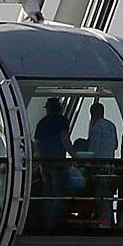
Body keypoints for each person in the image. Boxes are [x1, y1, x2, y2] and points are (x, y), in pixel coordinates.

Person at [34, 97, 72, 229]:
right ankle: (54, 222)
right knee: (59, 194)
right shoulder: (62, 121)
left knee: (48, 193)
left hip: (44, 163)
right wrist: (75, 156)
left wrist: (38, 160)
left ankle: (46, 222)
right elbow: (65, 140)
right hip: (58, 163)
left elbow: (37, 144)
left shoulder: (42, 123)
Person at [87, 102, 118, 226]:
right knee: (108, 197)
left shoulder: (96, 127)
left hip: (99, 167)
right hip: (110, 166)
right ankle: (109, 221)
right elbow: (115, 145)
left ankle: (103, 222)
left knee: (100, 196)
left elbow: (93, 149)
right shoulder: (111, 125)